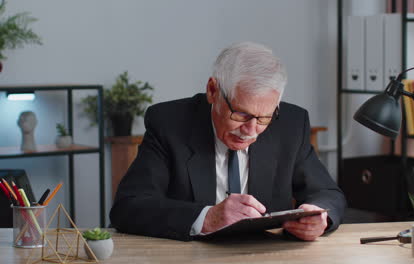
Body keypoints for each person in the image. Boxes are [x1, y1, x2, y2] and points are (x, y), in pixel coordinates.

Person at [110, 42, 346, 241]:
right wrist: (207, 217)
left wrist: (318, 217)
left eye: (264, 118)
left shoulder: (291, 124)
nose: (251, 131)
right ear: (213, 91)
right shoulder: (169, 124)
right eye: (241, 114)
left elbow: (327, 193)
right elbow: (129, 207)